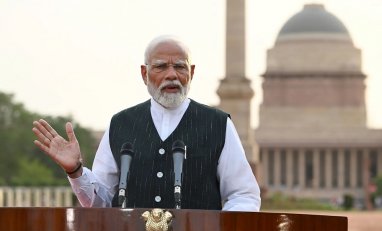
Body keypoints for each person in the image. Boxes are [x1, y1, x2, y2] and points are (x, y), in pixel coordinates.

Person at [32, 35, 261, 211]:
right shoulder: (121, 124)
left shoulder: (217, 124)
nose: (171, 74)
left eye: (180, 66)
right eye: (161, 66)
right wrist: (75, 170)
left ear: (191, 72)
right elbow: (102, 203)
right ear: (144, 74)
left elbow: (244, 195)